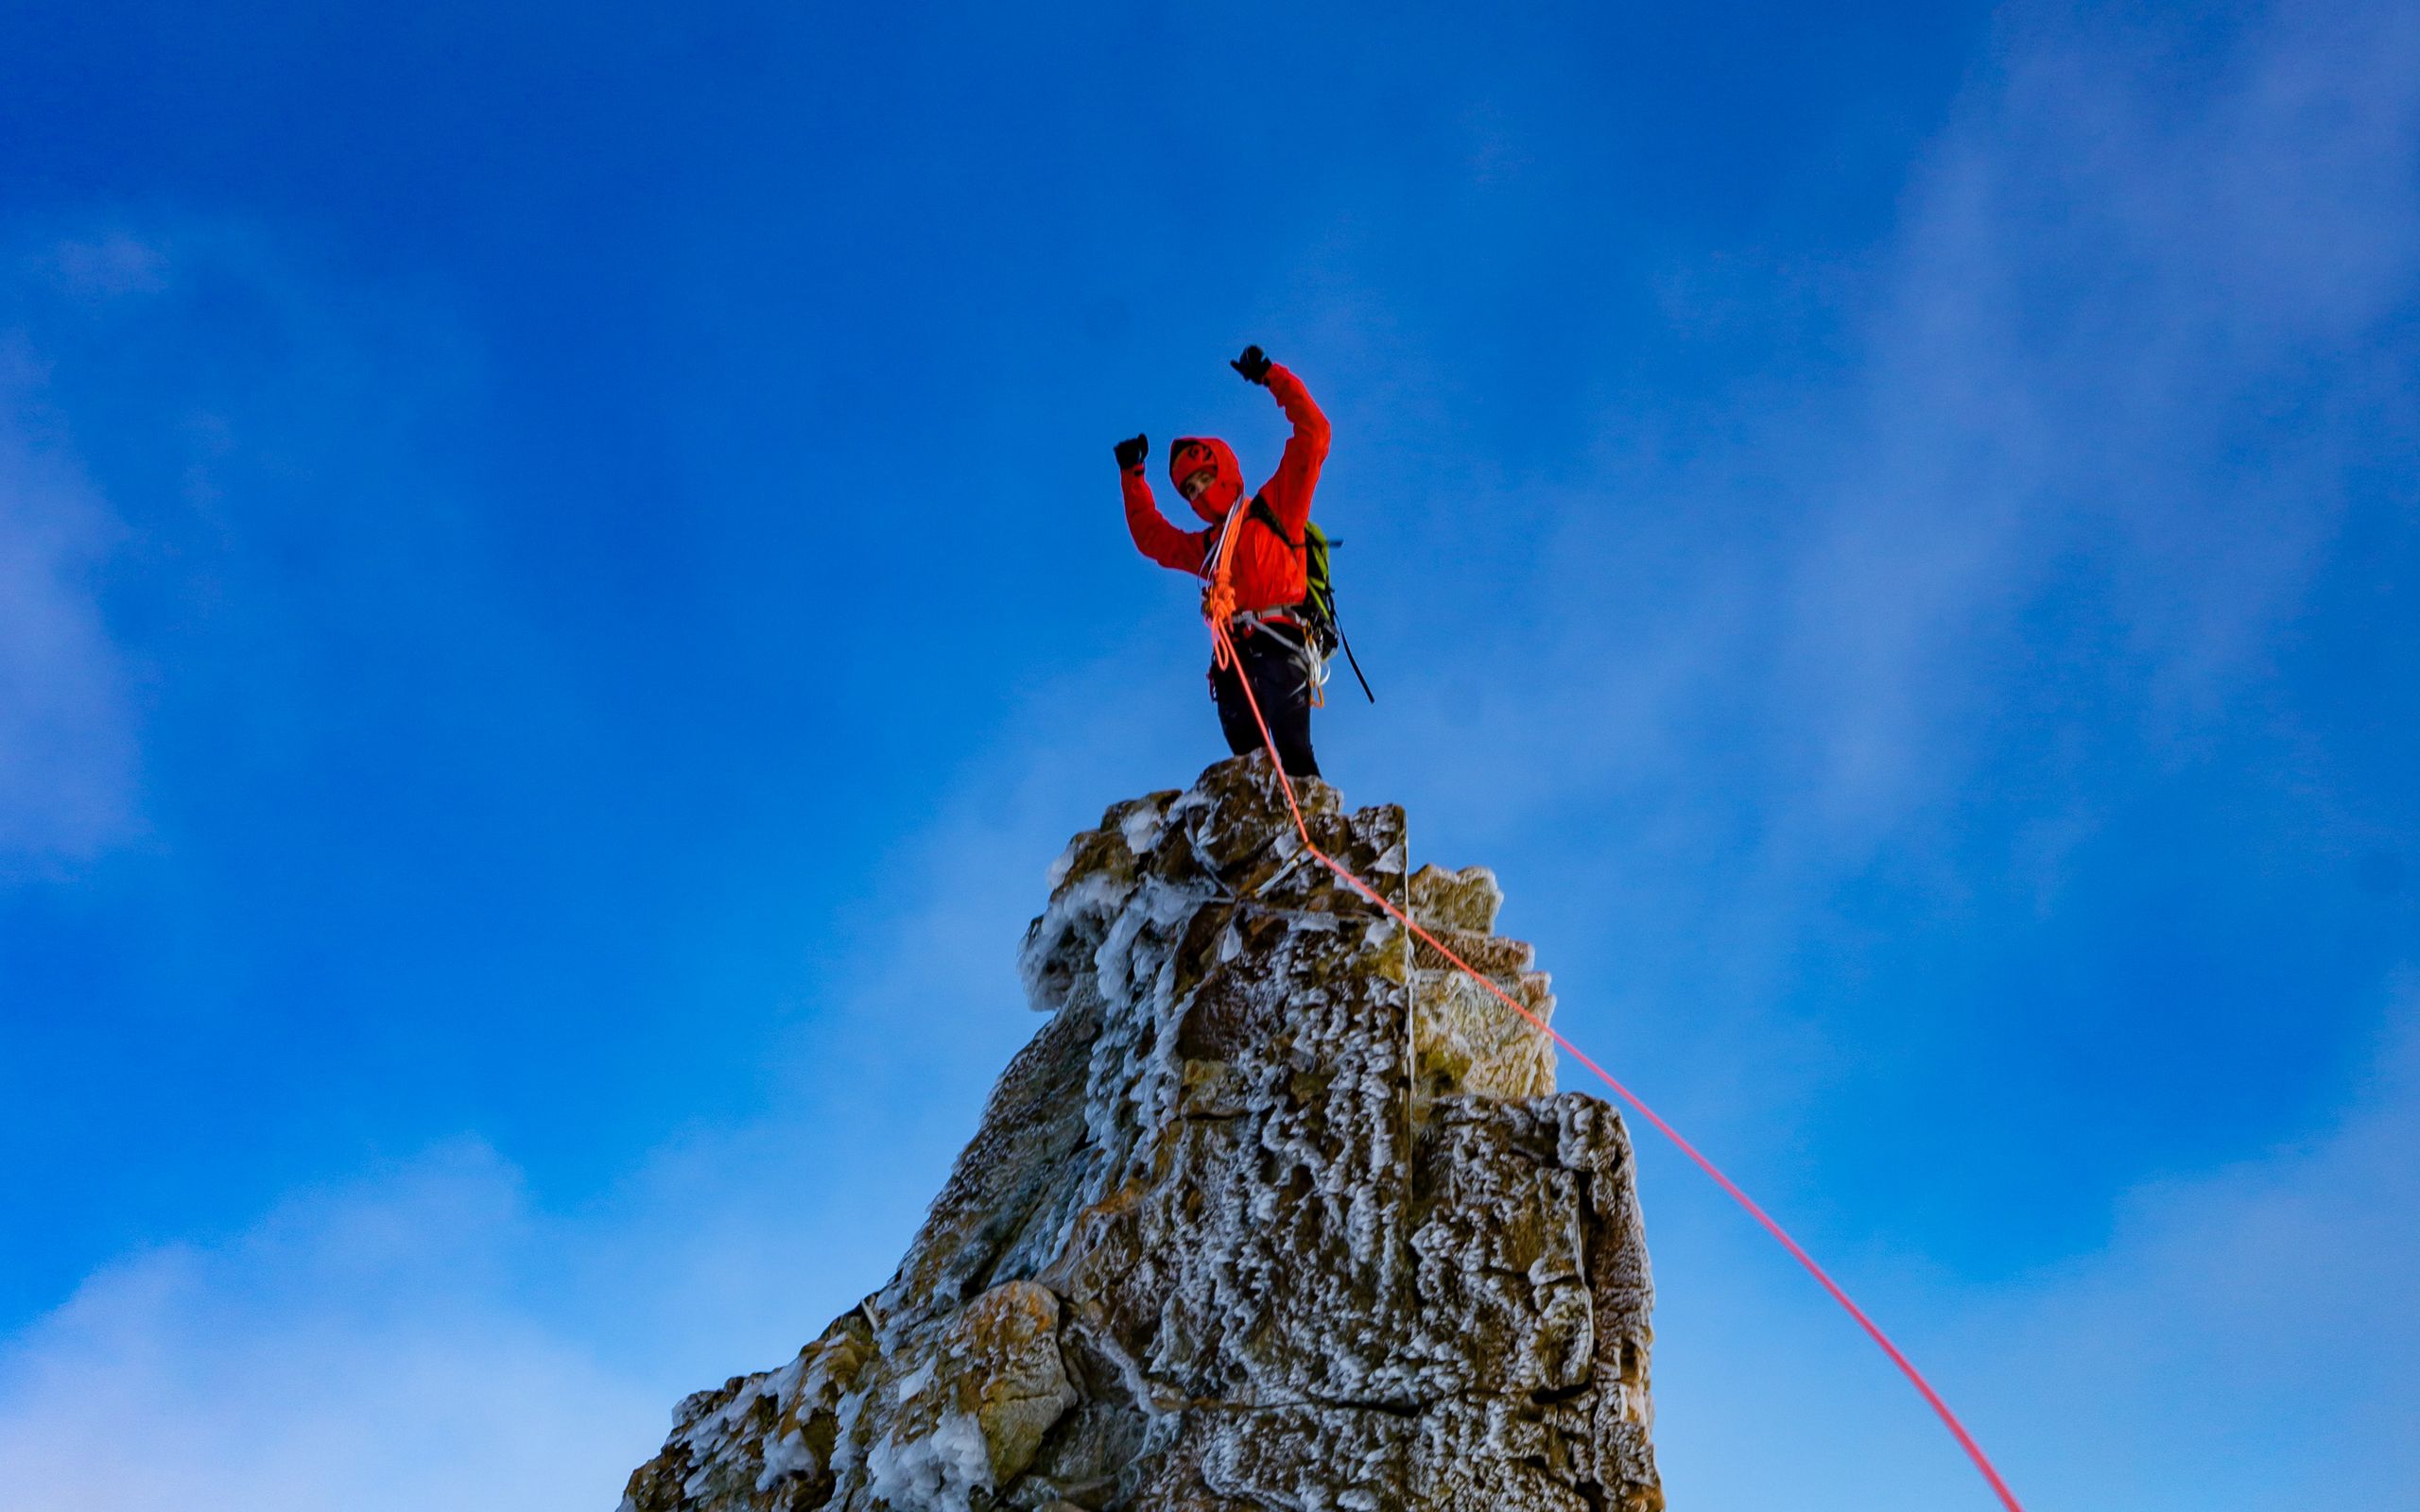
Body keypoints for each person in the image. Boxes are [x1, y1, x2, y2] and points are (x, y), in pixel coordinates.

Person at [1116, 345, 1332, 779]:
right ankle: (1263, 831)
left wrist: (1272, 376)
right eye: (1190, 490)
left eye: (1204, 478)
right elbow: (1153, 539)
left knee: (1294, 754)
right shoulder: (1209, 548)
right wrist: (1133, 478)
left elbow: (1314, 433)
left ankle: (1311, 826)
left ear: (1225, 468)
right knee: (1248, 767)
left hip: (1281, 639)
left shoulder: (1278, 507)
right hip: (1231, 656)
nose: (1199, 492)